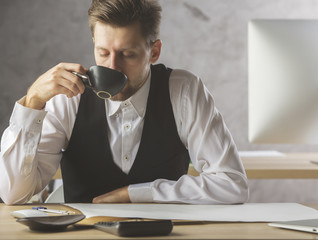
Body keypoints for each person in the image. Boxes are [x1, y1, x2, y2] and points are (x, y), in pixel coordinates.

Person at [0, 0, 249, 204]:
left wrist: (137, 193)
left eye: (127, 54)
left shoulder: (183, 90)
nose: (112, 67)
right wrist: (32, 103)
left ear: (154, 52)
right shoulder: (68, 99)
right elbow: (14, 195)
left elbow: (232, 184)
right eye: (103, 53)